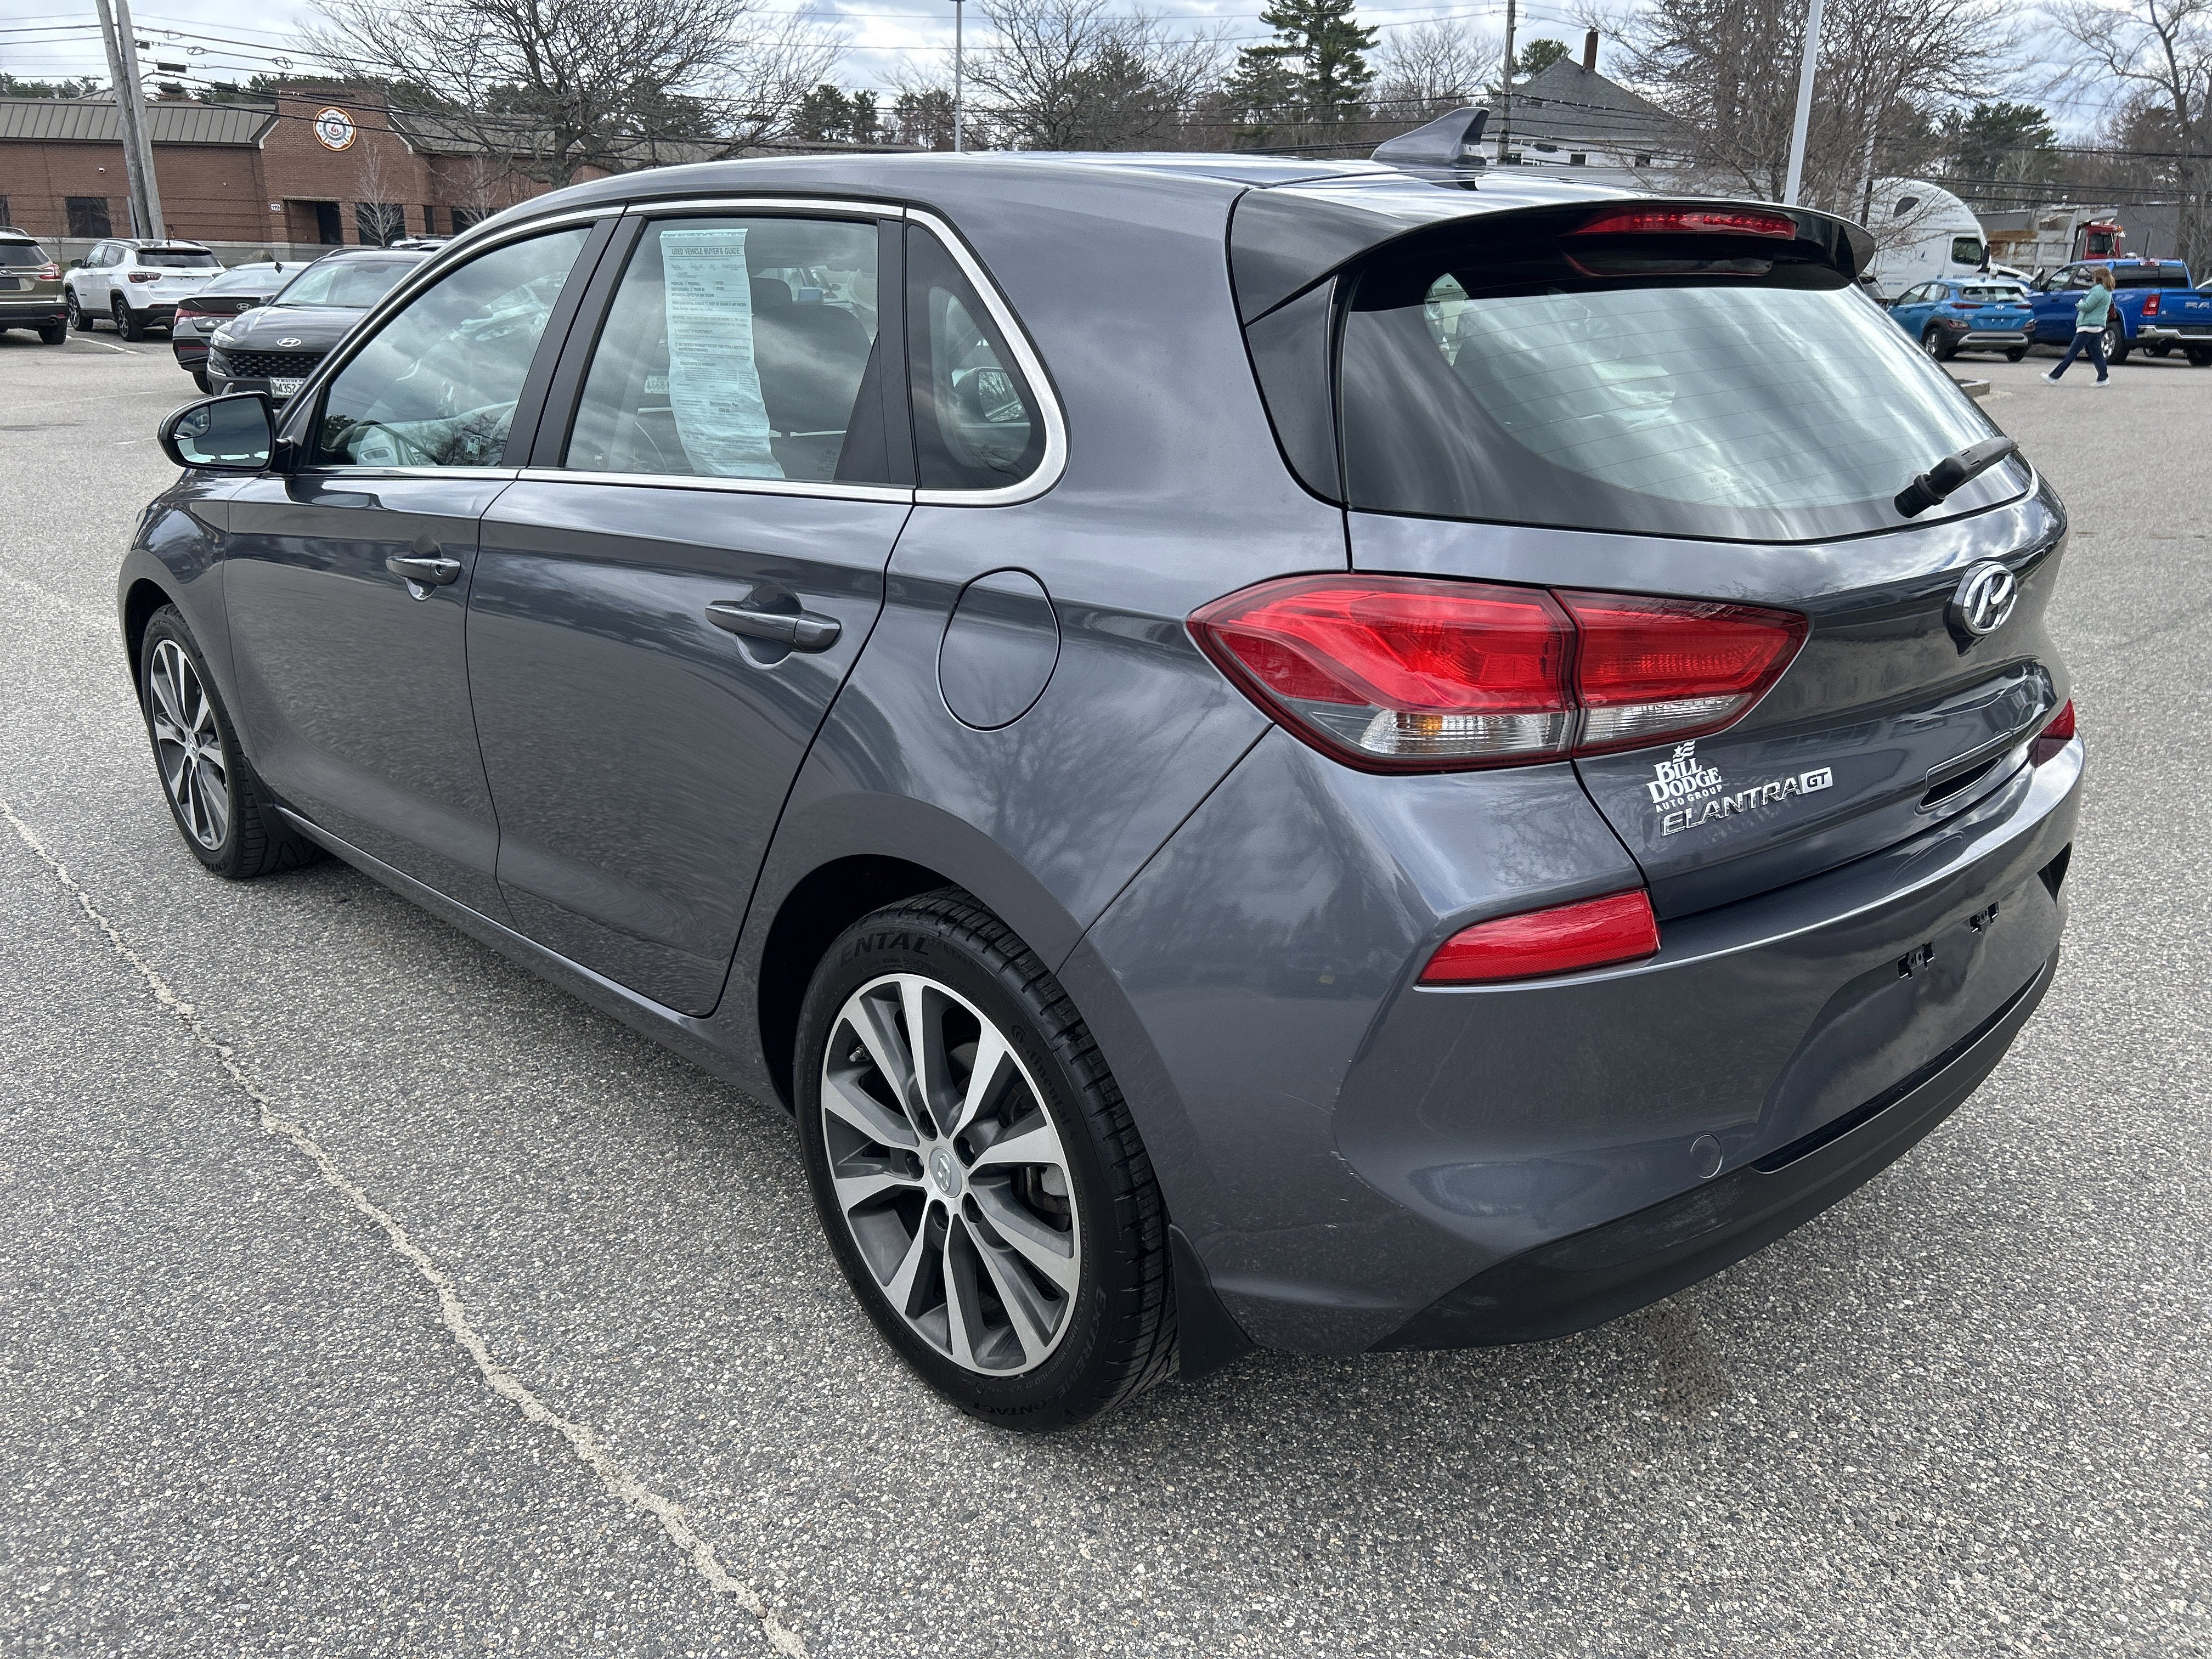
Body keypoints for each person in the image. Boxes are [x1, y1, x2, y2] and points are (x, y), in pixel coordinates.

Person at [2044, 267, 2117, 385]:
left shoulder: (2098, 290)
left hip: (2088, 326)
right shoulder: (2108, 291)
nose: (2093, 278)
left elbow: (2088, 306)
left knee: (2072, 353)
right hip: (2098, 326)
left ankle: (2054, 376)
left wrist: (2080, 303)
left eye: (2094, 277)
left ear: (2099, 278)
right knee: (2097, 354)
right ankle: (2103, 377)